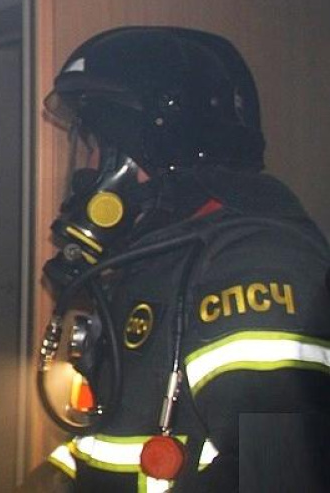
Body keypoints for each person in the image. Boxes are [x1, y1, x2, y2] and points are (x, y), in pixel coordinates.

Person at [32, 26, 330, 492]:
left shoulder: (255, 263)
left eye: (93, 150)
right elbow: (122, 437)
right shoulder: (161, 259)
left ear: (143, 154)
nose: (84, 174)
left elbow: (281, 475)